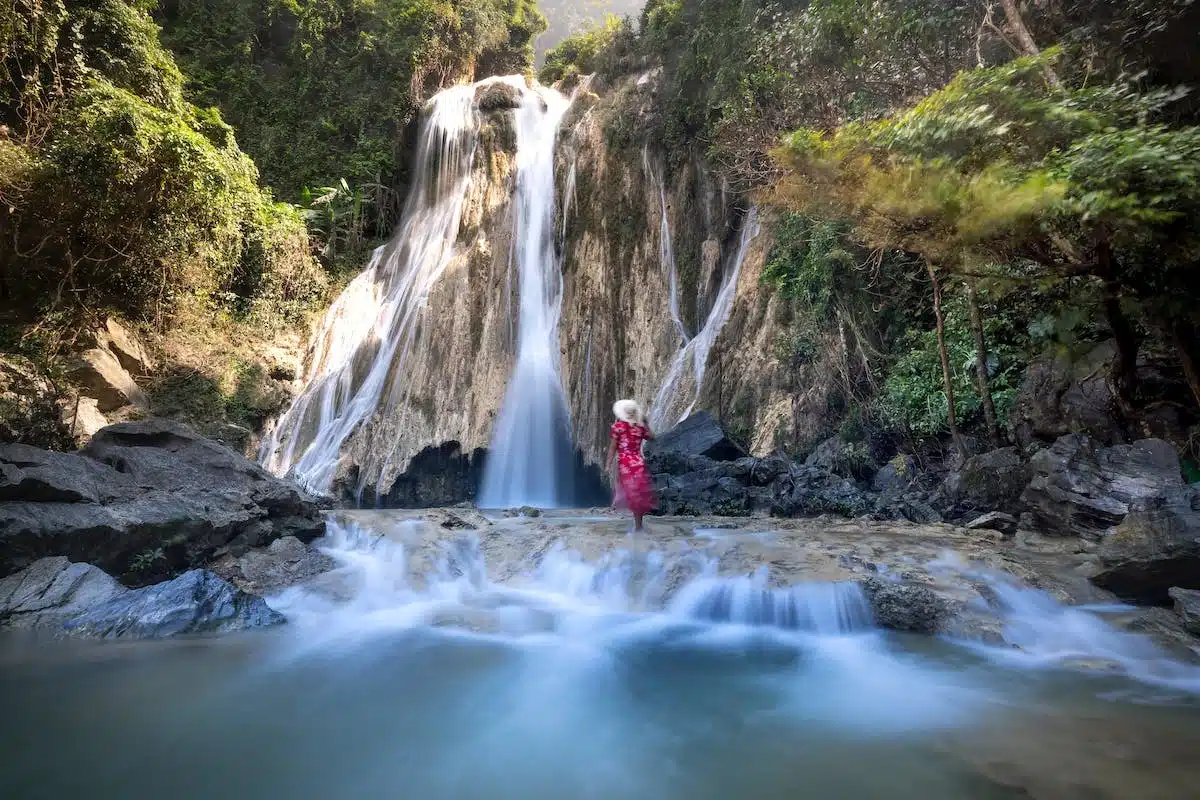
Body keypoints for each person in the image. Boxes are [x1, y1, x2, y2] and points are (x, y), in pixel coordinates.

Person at [606, 399, 655, 531]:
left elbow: (612, 448)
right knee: (638, 495)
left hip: (625, 464)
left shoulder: (618, 427)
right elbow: (651, 437)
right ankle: (638, 525)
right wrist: (646, 423)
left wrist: (608, 464)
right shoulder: (639, 428)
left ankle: (617, 505)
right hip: (639, 463)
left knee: (628, 492)